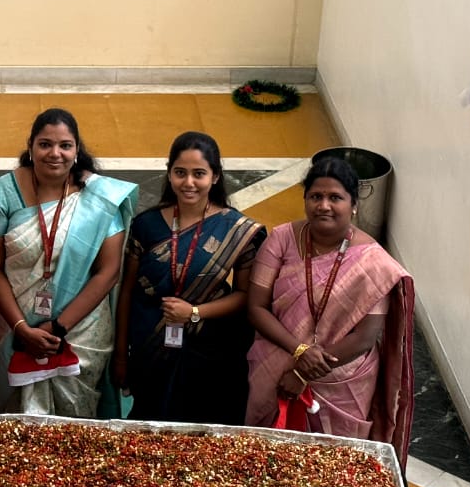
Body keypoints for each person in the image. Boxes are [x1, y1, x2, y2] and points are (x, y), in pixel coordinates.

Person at [244, 157, 415, 464]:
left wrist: (302, 372)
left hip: (343, 379)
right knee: (268, 462)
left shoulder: (373, 262)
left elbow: (364, 338)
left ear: (354, 205)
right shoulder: (282, 239)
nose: (324, 205)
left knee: (335, 468)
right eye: (316, 196)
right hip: (276, 365)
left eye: (335, 197)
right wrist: (300, 352)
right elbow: (256, 307)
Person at [0, 108, 137, 419]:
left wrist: (59, 326)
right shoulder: (6, 190)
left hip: (81, 332)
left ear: (77, 150)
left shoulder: (98, 198)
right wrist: (22, 329)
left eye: (65, 145)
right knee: (18, 421)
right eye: (45, 144)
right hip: (16, 325)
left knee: (76, 426)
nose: (55, 154)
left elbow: (108, 272)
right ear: (31, 147)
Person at [112, 132, 265, 423]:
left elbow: (245, 296)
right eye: (180, 173)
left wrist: (194, 312)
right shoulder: (146, 225)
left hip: (210, 352)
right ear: (169, 173)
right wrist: (120, 355)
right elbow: (127, 292)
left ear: (215, 176)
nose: (189, 182)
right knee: (149, 428)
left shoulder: (236, 230)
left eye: (199, 174)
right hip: (150, 347)